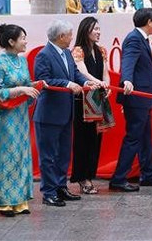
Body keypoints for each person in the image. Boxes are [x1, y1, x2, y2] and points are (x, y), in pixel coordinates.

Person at [33, 20, 100, 207]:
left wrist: (85, 83)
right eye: (70, 34)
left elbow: (75, 74)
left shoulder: (67, 54)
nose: (72, 37)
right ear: (61, 37)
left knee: (63, 154)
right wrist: (66, 84)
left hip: (66, 113)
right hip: (49, 115)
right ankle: (48, 192)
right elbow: (43, 80)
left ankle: (61, 187)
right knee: (48, 155)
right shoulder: (43, 55)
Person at [0, 24, 41, 216]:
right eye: (22, 38)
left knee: (21, 155)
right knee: (6, 156)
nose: (25, 41)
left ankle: (20, 201)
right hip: (5, 116)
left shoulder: (22, 62)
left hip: (21, 115)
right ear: (11, 41)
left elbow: (26, 85)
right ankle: (2, 202)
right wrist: (21, 90)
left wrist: (35, 87)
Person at [110, 8, 152, 192]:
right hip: (137, 99)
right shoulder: (134, 38)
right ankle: (118, 178)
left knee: (145, 138)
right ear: (149, 22)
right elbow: (128, 61)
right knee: (133, 138)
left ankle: (148, 175)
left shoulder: (141, 38)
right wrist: (126, 80)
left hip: (143, 100)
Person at [70, 17, 111, 195]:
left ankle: (90, 175)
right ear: (86, 30)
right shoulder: (78, 51)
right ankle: (82, 177)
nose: (98, 32)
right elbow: (82, 72)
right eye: (95, 29)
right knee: (82, 139)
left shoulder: (102, 50)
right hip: (82, 101)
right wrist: (100, 83)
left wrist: (106, 85)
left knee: (95, 140)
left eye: (99, 29)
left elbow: (106, 72)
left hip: (98, 99)